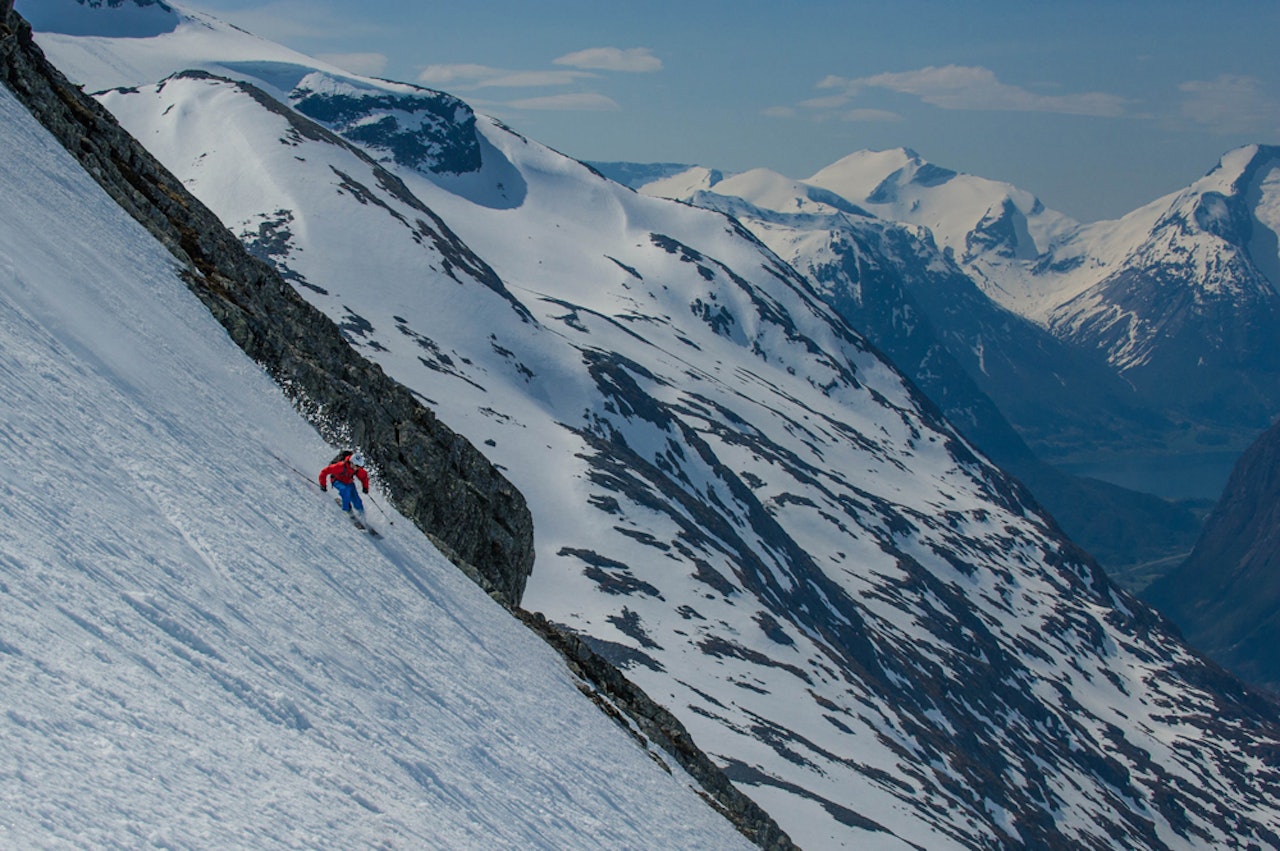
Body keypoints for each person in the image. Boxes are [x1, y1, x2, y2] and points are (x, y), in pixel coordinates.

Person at [319, 450, 370, 515]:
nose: (358, 468)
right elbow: (324, 472)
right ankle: (346, 509)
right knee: (345, 490)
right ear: (352, 463)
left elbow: (364, 477)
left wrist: (365, 487)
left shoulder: (357, 469)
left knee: (357, 500)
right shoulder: (340, 466)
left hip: (349, 482)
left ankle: (361, 514)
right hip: (337, 481)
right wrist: (323, 485)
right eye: (357, 466)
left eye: (359, 466)